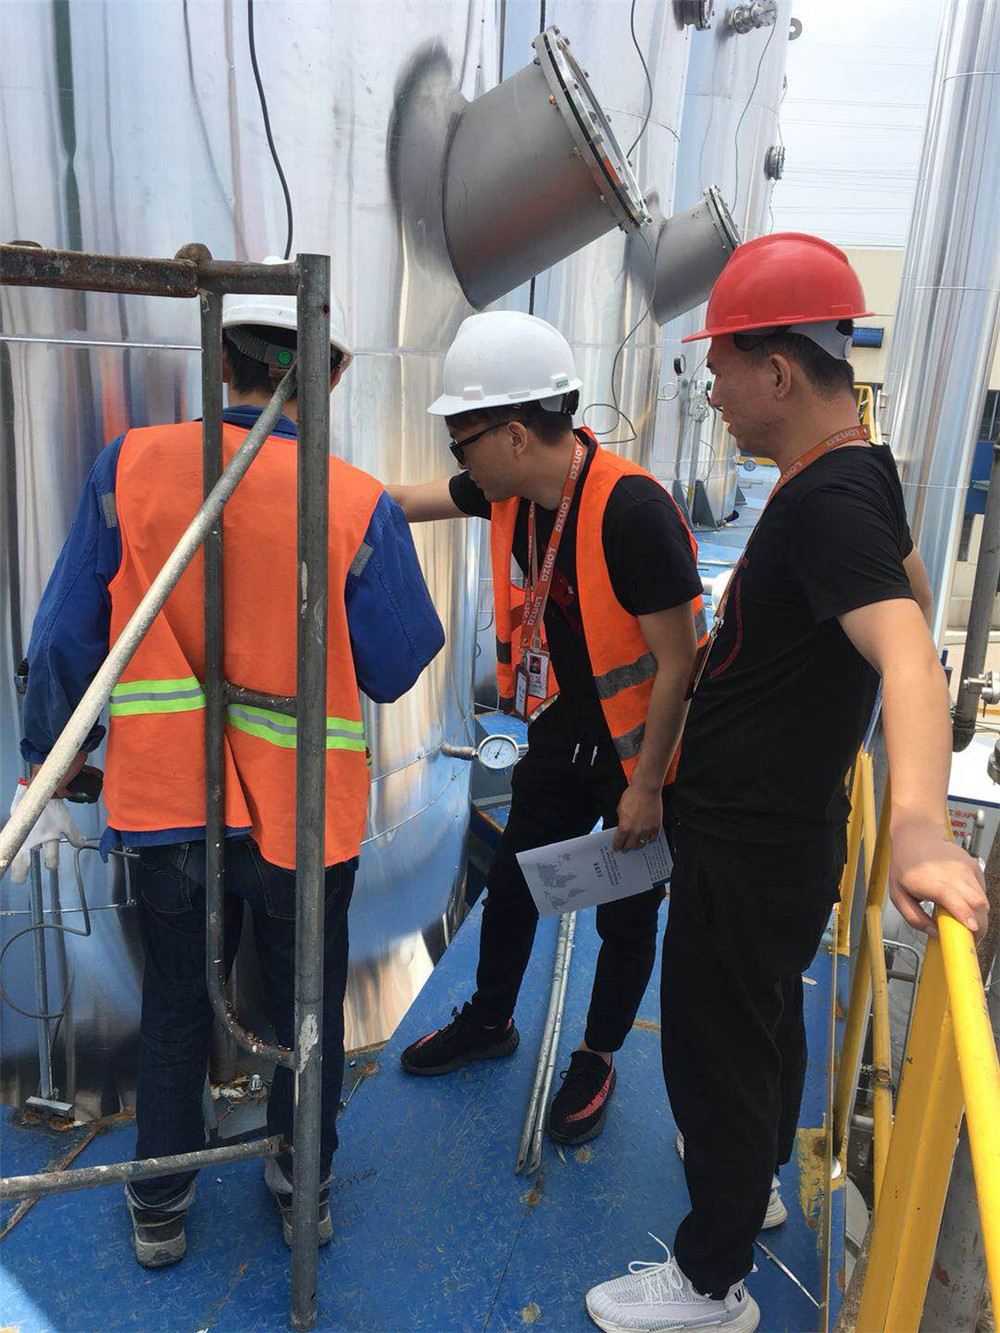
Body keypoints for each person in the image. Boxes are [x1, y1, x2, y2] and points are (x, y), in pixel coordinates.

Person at [585, 233, 989, 1333]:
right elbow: (912, 601)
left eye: (719, 368)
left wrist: (917, 823)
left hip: (751, 842)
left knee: (715, 1047)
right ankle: (751, 1178)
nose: (710, 393)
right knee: (760, 1026)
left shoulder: (826, 505)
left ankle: (710, 1284)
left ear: (776, 370)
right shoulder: (858, 473)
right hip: (781, 832)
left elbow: (908, 654)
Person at [11, 260, 444, 1268]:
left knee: (175, 1003)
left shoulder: (129, 465)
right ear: (326, 377)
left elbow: (66, 636)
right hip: (304, 815)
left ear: (221, 363)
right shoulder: (351, 498)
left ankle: (160, 1207)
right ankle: (301, 1187)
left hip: (168, 806)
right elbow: (395, 665)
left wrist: (49, 761)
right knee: (305, 1011)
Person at [387, 311, 704, 1144]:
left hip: (643, 752)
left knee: (626, 912)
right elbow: (402, 501)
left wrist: (646, 789)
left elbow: (680, 662)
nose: (457, 459)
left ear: (516, 435)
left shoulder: (632, 511)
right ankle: (492, 1019)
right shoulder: (512, 493)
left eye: (461, 441)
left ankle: (596, 1056)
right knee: (514, 882)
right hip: (567, 730)